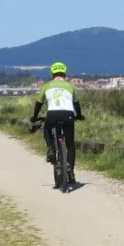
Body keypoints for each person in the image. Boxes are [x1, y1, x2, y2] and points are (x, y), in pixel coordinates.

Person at [30, 61, 81, 189]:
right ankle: (70, 170)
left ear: (52, 74)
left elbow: (38, 103)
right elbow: (76, 104)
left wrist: (34, 117)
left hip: (52, 115)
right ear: (64, 73)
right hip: (68, 115)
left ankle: (51, 149)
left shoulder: (47, 86)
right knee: (70, 144)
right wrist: (79, 115)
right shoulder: (70, 86)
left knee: (47, 129)